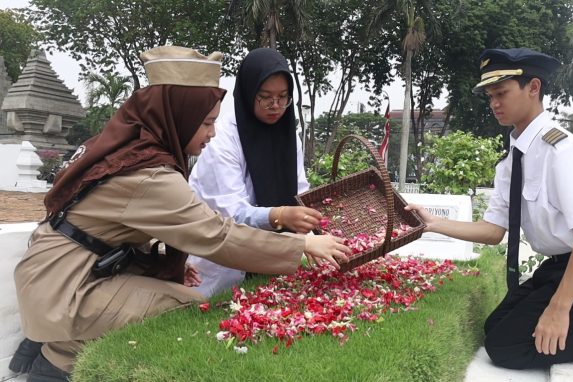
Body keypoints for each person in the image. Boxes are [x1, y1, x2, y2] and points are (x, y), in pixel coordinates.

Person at [9, 46, 350, 382]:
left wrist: (162, 263)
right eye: (205, 122)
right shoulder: (150, 174)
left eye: (214, 121)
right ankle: (57, 359)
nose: (212, 133)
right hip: (64, 285)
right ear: (178, 116)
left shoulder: (133, 146)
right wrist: (301, 246)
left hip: (63, 269)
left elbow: (116, 225)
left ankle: (52, 344)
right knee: (188, 309)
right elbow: (217, 235)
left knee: (174, 285)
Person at [406, 48, 573, 381]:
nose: (495, 103)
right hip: (560, 268)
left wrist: (560, 307)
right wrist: (433, 223)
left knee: (507, 348)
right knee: (495, 327)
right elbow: (493, 229)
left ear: (533, 88)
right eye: (490, 97)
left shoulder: (562, 150)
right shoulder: (513, 158)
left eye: (502, 93)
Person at [188, 48, 323, 298]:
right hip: (221, 267)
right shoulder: (223, 140)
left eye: (283, 97)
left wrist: (316, 227)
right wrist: (281, 215)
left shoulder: (287, 135)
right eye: (265, 97)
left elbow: (300, 192)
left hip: (271, 263)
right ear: (249, 93)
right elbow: (233, 216)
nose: (276, 106)